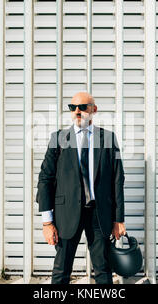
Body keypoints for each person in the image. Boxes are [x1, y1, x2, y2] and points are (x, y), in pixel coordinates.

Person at [36, 92, 126, 284]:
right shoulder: (58, 139)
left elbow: (118, 179)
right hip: (66, 213)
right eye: (73, 107)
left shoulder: (109, 138)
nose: (77, 111)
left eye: (83, 107)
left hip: (99, 214)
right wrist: (47, 222)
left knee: (103, 269)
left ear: (94, 110)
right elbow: (45, 179)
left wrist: (118, 219)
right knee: (61, 270)